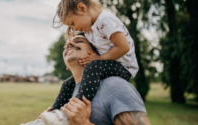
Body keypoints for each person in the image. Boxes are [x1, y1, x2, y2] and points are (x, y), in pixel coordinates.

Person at [21, 33, 150, 125]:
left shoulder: (115, 86)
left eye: (79, 41)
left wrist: (84, 123)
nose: (70, 43)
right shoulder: (68, 91)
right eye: (66, 46)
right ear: (66, 66)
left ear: (96, 53)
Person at [49, 0, 139, 114]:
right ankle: (54, 112)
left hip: (124, 66)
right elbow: (77, 37)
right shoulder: (89, 27)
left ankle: (80, 104)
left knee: (93, 66)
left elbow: (123, 47)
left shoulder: (105, 21)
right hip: (107, 64)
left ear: (82, 9)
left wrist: (99, 58)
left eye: (72, 23)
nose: (75, 28)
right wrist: (70, 44)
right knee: (67, 83)